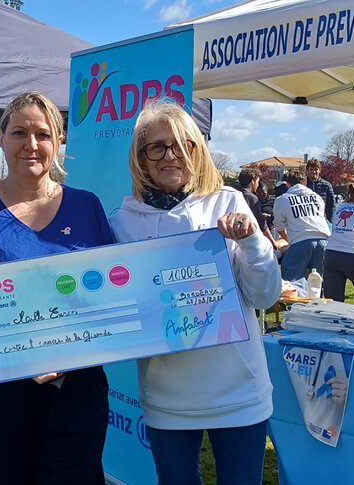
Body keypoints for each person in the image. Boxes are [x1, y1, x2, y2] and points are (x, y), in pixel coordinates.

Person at [0, 92, 112, 484]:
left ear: (60, 141)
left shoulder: (87, 206)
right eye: (19, 132)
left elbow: (108, 294)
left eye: (43, 134)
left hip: (76, 389)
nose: (31, 145)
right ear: (0, 138)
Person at [109, 100, 280, 485]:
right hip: (167, 399)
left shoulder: (230, 203)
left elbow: (265, 296)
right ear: (141, 157)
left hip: (239, 393)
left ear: (197, 150)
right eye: (157, 146)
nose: (171, 155)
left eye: (183, 144)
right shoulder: (120, 224)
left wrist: (252, 242)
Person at [273, 171, 331, 281]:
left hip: (301, 241)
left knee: (292, 277)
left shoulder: (282, 199)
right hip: (324, 240)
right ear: (305, 184)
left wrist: (289, 240)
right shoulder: (317, 197)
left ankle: (298, 297)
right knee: (319, 281)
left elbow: (279, 227)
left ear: (288, 184)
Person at [232, 167, 278, 250]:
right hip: (247, 236)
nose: (257, 185)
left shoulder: (232, 194)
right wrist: (272, 242)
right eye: (257, 182)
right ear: (253, 181)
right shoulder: (251, 197)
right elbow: (261, 223)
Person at [305, 158, 335, 222]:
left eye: (316, 169)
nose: (314, 172)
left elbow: (331, 206)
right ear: (307, 170)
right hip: (307, 220)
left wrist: (331, 221)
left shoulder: (326, 185)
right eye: (311, 169)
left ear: (320, 170)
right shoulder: (303, 185)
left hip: (322, 220)